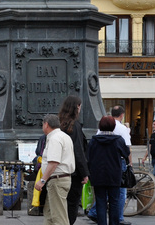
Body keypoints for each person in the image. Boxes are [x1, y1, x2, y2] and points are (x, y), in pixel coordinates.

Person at [34, 114, 75, 225]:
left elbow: (53, 163)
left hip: (57, 179)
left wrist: (42, 180)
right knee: (50, 214)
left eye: (43, 124)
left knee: (58, 217)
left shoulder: (55, 139)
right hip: (60, 179)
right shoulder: (64, 136)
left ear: (46, 124)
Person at [87, 116, 129, 225]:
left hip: (98, 174)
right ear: (113, 126)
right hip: (114, 174)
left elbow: (88, 156)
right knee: (114, 201)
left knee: (101, 201)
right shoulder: (118, 140)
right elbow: (126, 153)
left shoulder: (94, 140)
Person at [58, 95, 89, 225]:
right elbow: (78, 151)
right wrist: (85, 173)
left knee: (60, 206)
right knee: (72, 204)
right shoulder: (75, 126)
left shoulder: (60, 124)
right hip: (74, 171)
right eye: (80, 106)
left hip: (59, 169)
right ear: (77, 107)